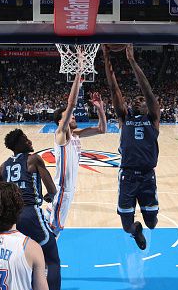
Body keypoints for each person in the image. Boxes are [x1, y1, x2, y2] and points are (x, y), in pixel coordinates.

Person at [0, 129, 70, 290]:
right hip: (30, 215)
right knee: (52, 260)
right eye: (26, 139)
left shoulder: (4, 165)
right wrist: (47, 197)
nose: (30, 141)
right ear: (19, 144)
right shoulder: (34, 159)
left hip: (12, 220)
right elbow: (52, 189)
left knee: (30, 264)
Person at [102, 44, 160, 250]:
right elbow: (113, 89)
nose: (138, 99)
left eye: (142, 99)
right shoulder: (124, 118)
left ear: (148, 105)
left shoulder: (153, 118)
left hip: (146, 176)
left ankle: (144, 226)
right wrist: (106, 56)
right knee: (127, 226)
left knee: (152, 223)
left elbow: (148, 91)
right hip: (128, 176)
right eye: (135, 99)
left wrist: (132, 61)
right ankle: (136, 231)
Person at [49, 69, 106, 234]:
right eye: (69, 116)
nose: (73, 117)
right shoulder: (61, 134)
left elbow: (102, 129)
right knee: (55, 230)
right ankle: (42, 258)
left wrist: (100, 109)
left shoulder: (76, 135)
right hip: (63, 189)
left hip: (69, 189)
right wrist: (78, 79)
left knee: (53, 225)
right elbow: (71, 104)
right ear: (62, 120)